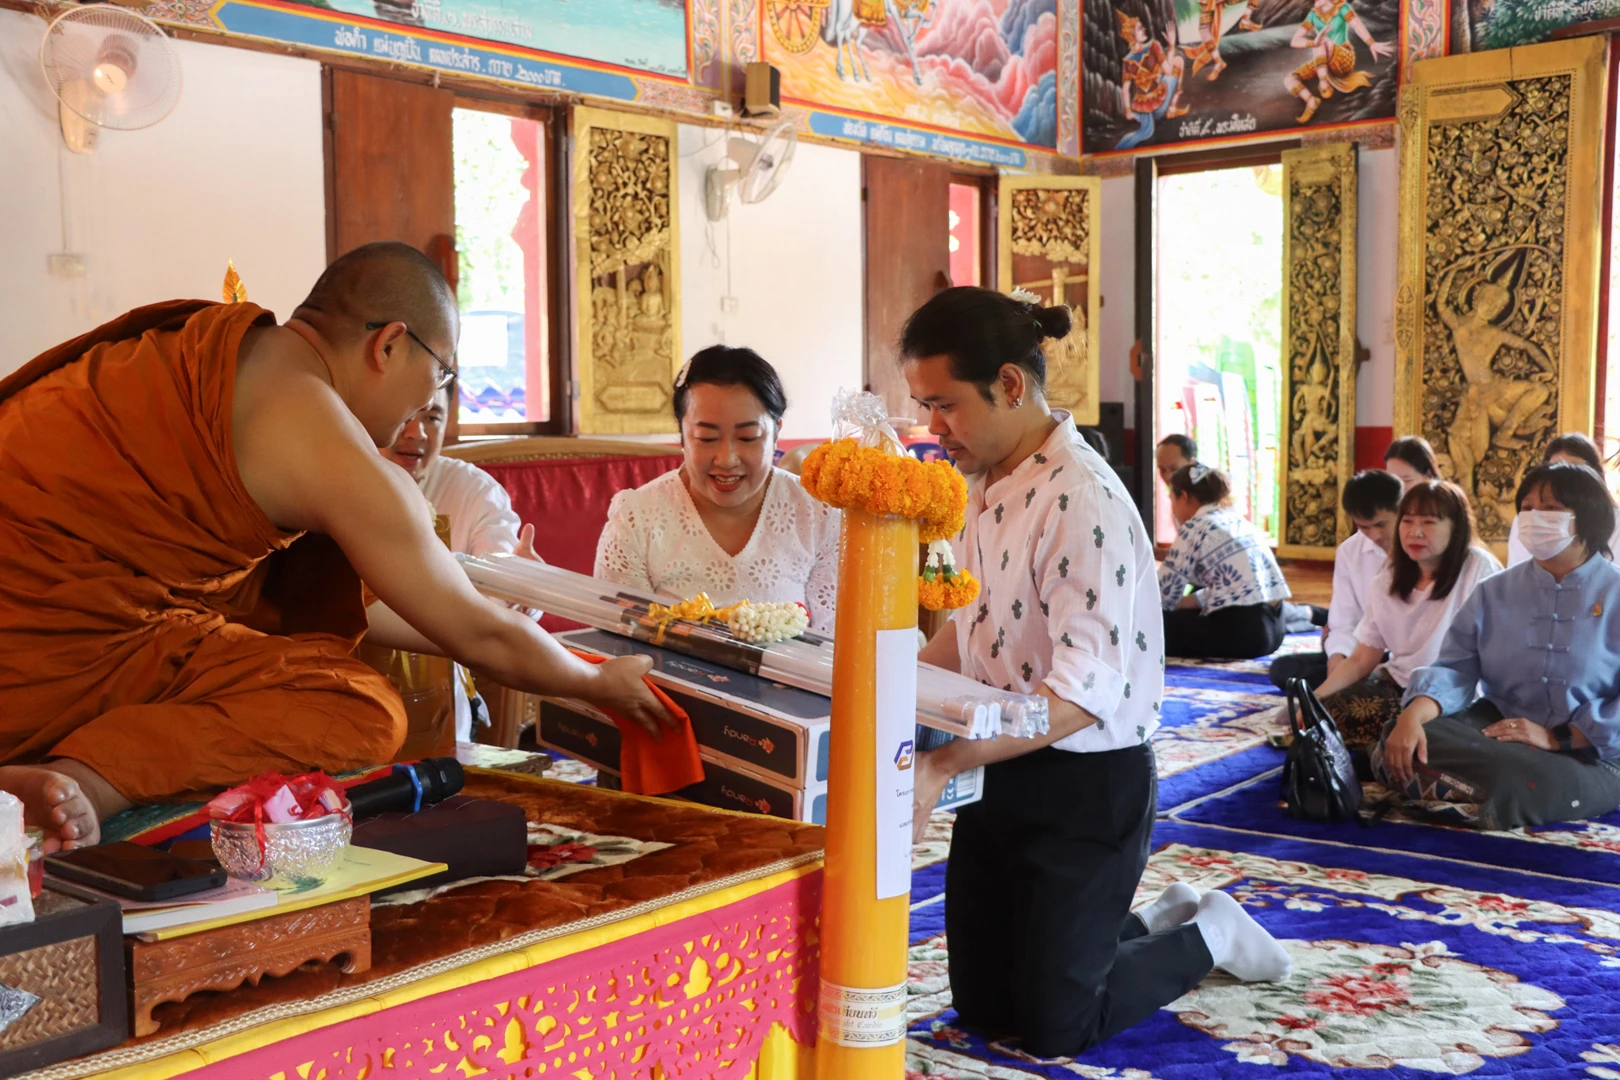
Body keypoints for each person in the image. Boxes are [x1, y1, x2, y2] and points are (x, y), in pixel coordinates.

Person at [0, 242, 672, 850]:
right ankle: (94, 777)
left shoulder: (210, 351)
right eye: (438, 380)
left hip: (85, 618)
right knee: (360, 709)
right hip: (43, 654)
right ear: (389, 345)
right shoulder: (328, 443)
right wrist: (596, 681)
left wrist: (490, 624)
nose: (424, 410)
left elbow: (387, 609)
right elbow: (483, 639)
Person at [904, 287, 1290, 1059]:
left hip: (1086, 784)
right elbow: (972, 629)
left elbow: (1082, 699)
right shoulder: (986, 482)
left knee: (1056, 1027)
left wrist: (941, 763)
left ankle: (1208, 931)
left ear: (1010, 385)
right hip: (999, 771)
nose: (933, 427)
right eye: (923, 405)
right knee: (984, 1009)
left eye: (944, 405)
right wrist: (884, 693)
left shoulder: (1081, 496)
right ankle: (1150, 919)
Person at [1376, 462, 1620, 829]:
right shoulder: (1494, 592)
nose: (1535, 517)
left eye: (1550, 509)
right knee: (1408, 736)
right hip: (1497, 730)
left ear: (1587, 517)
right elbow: (1454, 670)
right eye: (1527, 508)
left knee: (1530, 781)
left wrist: (1555, 737)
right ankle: (1465, 794)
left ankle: (1454, 790)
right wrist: (1412, 717)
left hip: (1590, 749)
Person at [595, 346, 840, 631]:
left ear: (776, 434)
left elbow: (833, 643)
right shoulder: (636, 520)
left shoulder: (819, 516)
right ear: (683, 436)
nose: (727, 460)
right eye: (706, 438)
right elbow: (618, 639)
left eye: (748, 437)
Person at [379, 385, 543, 742]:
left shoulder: (472, 490)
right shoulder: (331, 482)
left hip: (437, 697)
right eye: (406, 414)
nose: (416, 433)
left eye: (432, 417)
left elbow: (500, 581)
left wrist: (521, 582)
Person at [1309, 481, 1499, 755]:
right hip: (1399, 685)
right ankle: (1381, 752)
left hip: (1454, 694)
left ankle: (1380, 752)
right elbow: (1363, 658)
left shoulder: (1477, 568)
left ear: (1455, 527)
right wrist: (1316, 698)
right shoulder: (1387, 578)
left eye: (1429, 522)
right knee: (1325, 714)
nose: (1415, 532)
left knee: (1435, 738)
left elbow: (1492, 655)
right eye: (1407, 521)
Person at [1270, 469, 1402, 690]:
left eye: (1381, 525)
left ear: (1400, 512)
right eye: (1363, 527)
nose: (1374, 536)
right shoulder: (1350, 551)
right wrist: (1338, 660)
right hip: (1362, 654)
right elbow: (1344, 622)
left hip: (1406, 658)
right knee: (1284, 670)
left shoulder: (1417, 549)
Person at [1159, 464, 1294, 659]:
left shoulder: (1196, 525)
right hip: (1274, 630)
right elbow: (1231, 590)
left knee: (1147, 624)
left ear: (1184, 496)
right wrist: (1186, 603)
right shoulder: (1236, 520)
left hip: (1244, 635)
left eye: (1171, 498)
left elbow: (1163, 596)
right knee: (1183, 614)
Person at [1506, 433, 1620, 566]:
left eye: (1574, 470)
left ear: (1594, 475)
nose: (1563, 479)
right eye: (1555, 469)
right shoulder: (1528, 520)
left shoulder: (1616, 520)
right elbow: (1518, 571)